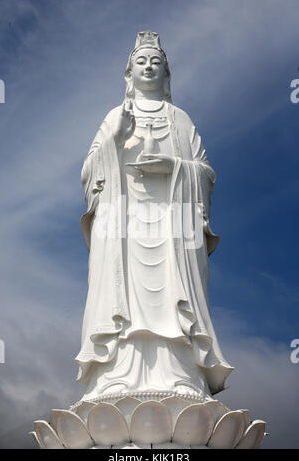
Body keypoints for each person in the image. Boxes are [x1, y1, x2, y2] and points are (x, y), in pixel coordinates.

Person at [75, 31, 233, 403]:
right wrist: (114, 140)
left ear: (167, 74)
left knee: (173, 297)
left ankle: (181, 374)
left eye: (156, 62)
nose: (148, 67)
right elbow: (88, 175)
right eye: (141, 62)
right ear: (128, 75)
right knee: (120, 296)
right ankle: (116, 374)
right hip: (122, 223)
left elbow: (206, 173)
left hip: (172, 222)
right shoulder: (114, 116)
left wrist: (173, 168)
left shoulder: (180, 120)